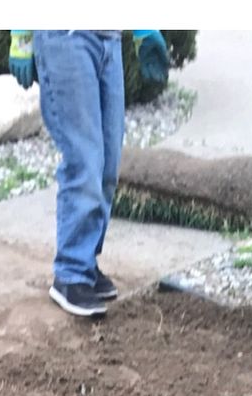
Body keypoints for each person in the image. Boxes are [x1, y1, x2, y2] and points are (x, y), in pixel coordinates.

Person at [10, 29, 169, 318]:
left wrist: (143, 30)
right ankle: (71, 274)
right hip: (65, 37)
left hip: (109, 38)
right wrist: (21, 37)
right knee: (84, 158)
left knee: (108, 163)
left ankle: (85, 259)